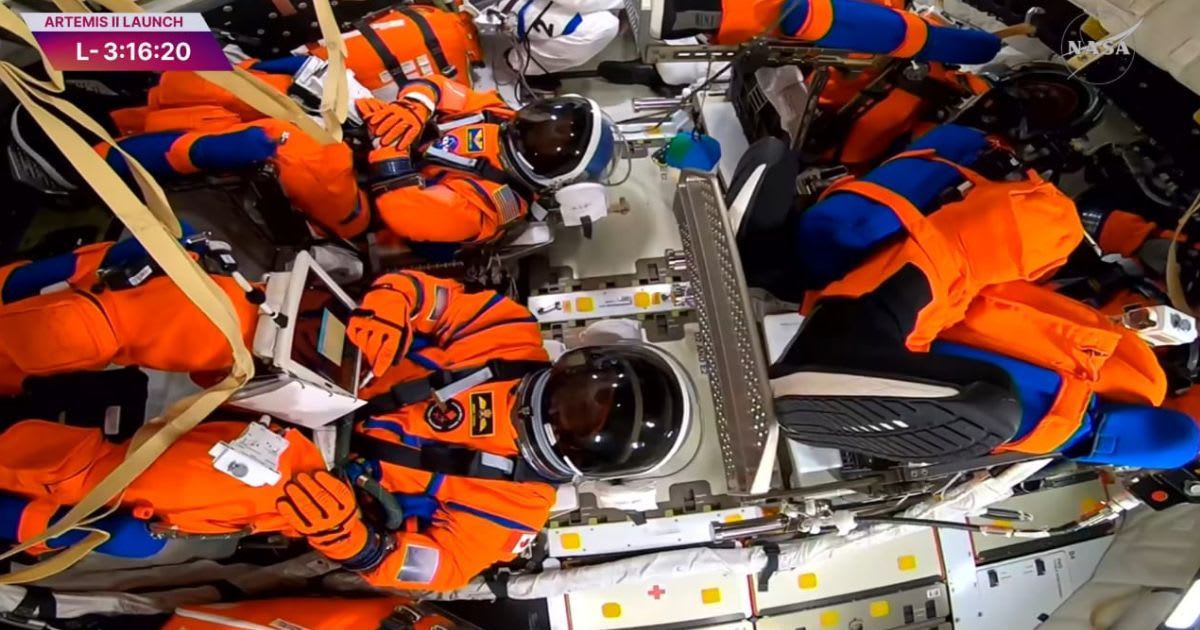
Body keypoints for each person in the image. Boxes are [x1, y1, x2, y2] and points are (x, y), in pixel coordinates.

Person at [0, 251, 695, 591]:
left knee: (254, 479)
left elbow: (432, 567)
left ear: (590, 458)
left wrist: (355, 538)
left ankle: (28, 465)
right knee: (213, 310)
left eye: (584, 422)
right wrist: (389, 309)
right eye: (586, 390)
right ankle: (23, 338)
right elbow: (427, 295)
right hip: (312, 372)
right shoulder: (508, 336)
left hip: (305, 474)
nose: (568, 408)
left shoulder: (513, 508)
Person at [757, 124, 1200, 468]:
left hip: (951, 323)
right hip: (975, 345)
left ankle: (847, 321)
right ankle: (804, 283)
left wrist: (1141, 241)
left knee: (1052, 221)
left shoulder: (1149, 380)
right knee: (1046, 228)